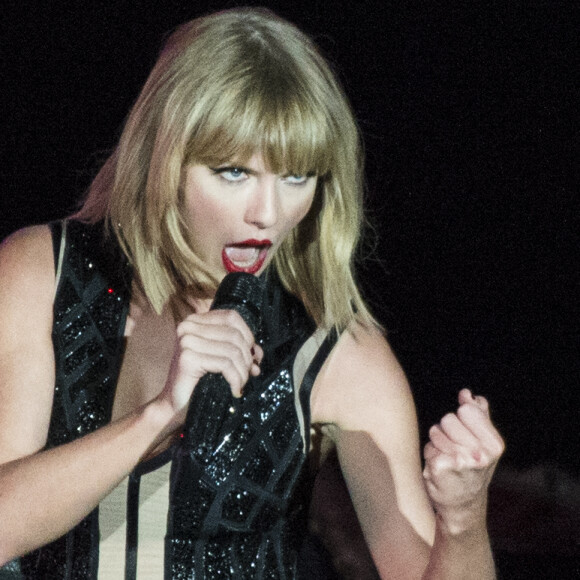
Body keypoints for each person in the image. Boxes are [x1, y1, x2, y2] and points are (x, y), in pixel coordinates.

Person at [0, 7, 504, 579]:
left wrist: (463, 520)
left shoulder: (338, 348)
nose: (267, 215)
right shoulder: (44, 271)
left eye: (296, 178)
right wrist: (159, 415)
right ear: (161, 160)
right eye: (234, 172)